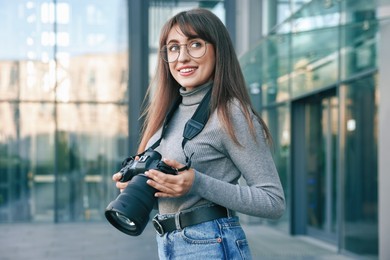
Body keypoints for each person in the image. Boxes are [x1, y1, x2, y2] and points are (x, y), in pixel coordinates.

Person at [113, 8, 285, 259]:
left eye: (195, 44)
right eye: (173, 47)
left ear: (218, 50)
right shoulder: (168, 114)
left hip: (210, 243)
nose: (182, 57)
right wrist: (139, 185)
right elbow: (173, 195)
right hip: (169, 243)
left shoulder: (230, 112)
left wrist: (197, 182)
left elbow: (273, 201)